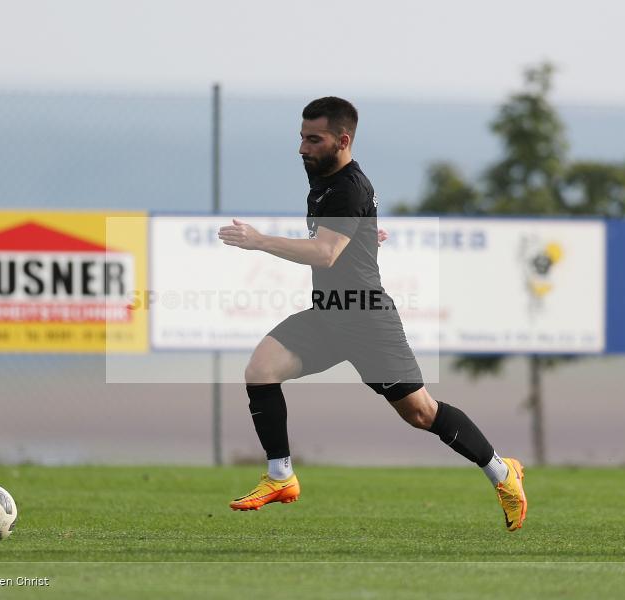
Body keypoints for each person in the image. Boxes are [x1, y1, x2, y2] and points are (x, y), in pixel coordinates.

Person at [217, 97, 527, 531]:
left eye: (314, 139)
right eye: (301, 138)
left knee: (421, 413)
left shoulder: (348, 186)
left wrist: (259, 240)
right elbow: (340, 236)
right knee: (261, 370)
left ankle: (501, 471)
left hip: (366, 319)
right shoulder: (324, 178)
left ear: (343, 140)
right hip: (329, 314)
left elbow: (326, 253)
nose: (303, 148)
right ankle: (280, 476)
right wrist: (362, 234)